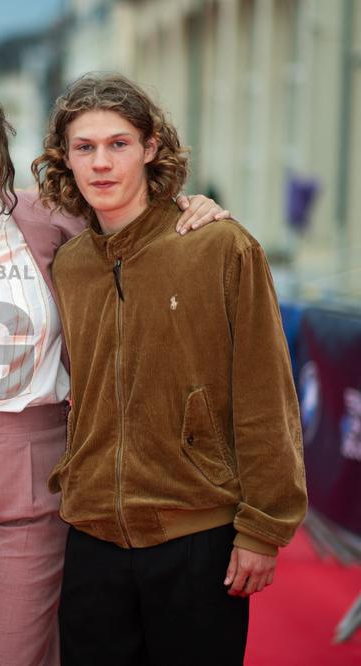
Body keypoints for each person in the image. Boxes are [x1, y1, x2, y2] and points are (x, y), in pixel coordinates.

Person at [0, 66, 229, 666]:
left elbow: (137, 223)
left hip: (36, 458)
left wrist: (194, 208)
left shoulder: (58, 219)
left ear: (1, 141)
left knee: (15, 650)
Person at [30, 72, 307, 666]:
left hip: (196, 538)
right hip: (92, 540)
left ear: (151, 146)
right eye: (85, 147)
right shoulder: (71, 265)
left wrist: (264, 528)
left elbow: (266, 396)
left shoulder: (219, 246)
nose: (101, 163)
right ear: (66, 158)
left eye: (119, 144)